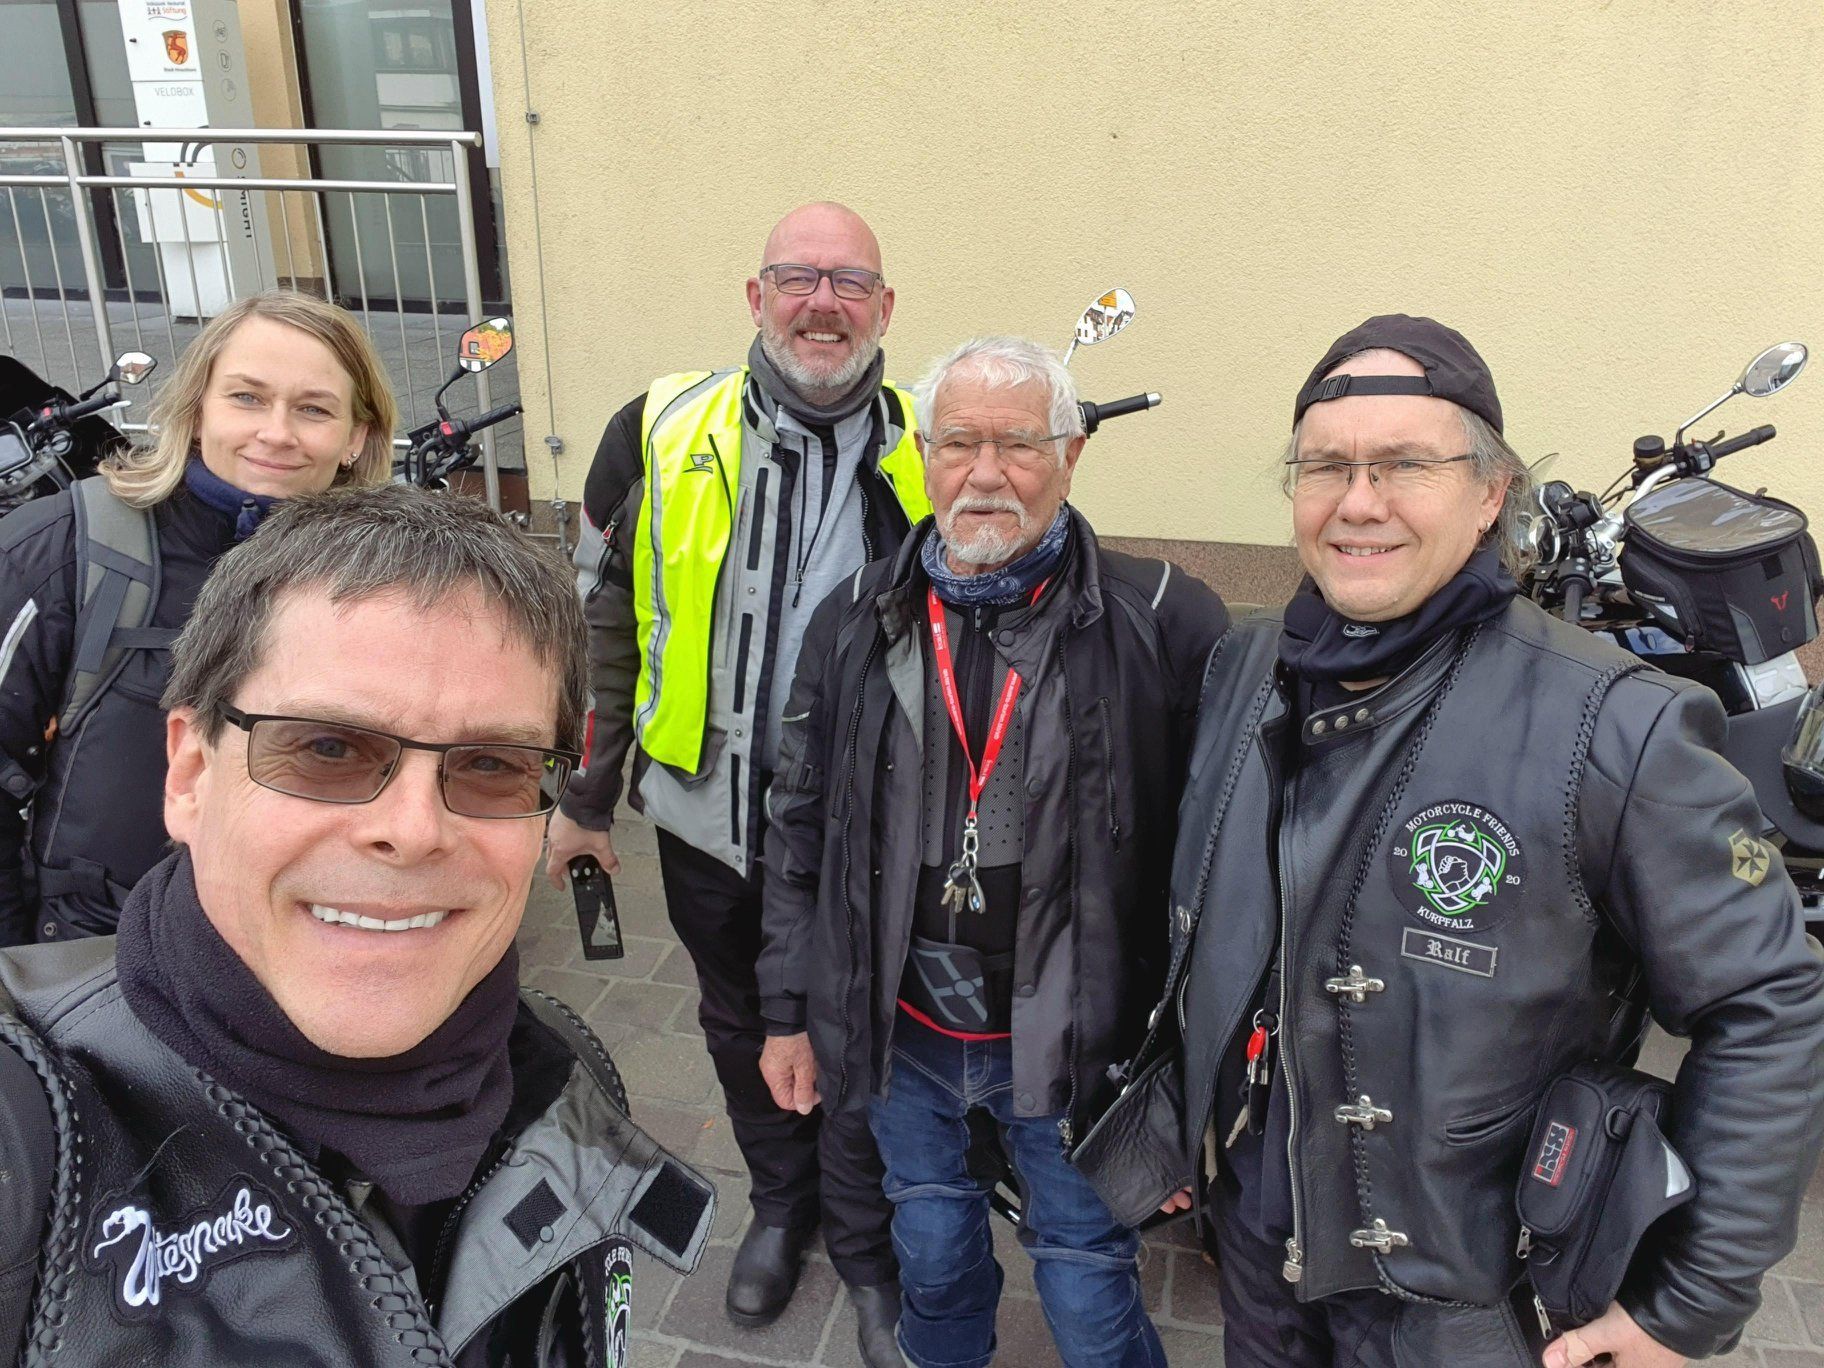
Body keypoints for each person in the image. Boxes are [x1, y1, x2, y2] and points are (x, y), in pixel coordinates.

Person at [1153, 315, 1824, 1366]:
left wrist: (1685, 1303)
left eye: (1405, 464)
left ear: (1490, 494)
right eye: (1326, 466)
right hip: (1257, 1242)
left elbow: (1769, 1003)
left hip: (1457, 1298)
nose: (1358, 501)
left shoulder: (1617, 727)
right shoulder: (1245, 667)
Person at [0, 486, 714, 1364]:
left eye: (492, 764)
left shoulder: (565, 1073)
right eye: (328, 748)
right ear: (189, 774)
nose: (413, 830)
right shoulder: (29, 1135)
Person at [758, 336, 1228, 1368]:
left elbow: (1217, 872)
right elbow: (798, 824)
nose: (984, 473)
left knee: (1086, 1274)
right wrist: (789, 1013)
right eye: (958, 443)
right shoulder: (856, 615)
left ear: (1071, 455)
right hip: (903, 1033)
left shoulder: (1166, 618)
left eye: (1017, 444)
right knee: (929, 1244)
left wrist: (1191, 1084)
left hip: (1073, 1043)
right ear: (922, 455)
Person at [541, 201, 927, 1360]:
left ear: (886, 308)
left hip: (867, 827)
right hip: (708, 817)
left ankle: (867, 1240)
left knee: (862, 1026)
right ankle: (782, 1205)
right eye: (798, 278)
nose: (823, 303)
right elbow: (605, 625)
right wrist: (585, 798)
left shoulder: (935, 443)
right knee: (736, 1019)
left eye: (849, 282)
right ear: (757, 297)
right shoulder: (656, 427)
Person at [0, 290, 397, 947]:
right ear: (195, 409)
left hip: (310, 947)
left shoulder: (394, 576)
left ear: (356, 436)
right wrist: (18, 970)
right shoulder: (66, 548)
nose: (277, 432)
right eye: (246, 398)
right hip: (104, 957)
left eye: (314, 409)